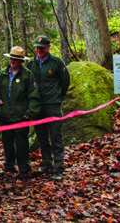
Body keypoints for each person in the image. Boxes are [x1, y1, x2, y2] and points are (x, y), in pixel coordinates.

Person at [0, 46, 41, 179]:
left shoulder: (27, 75)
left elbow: (34, 95)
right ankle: (9, 166)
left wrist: (30, 112)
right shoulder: (2, 74)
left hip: (21, 116)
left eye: (16, 59)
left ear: (21, 61)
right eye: (12, 58)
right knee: (7, 142)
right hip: (5, 115)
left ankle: (24, 168)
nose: (13, 61)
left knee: (22, 144)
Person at [27, 35, 70, 180]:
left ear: (48, 47)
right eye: (37, 48)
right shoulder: (32, 64)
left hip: (52, 105)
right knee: (42, 137)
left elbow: (65, 81)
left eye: (42, 47)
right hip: (38, 106)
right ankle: (47, 164)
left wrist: (57, 96)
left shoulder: (56, 62)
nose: (39, 50)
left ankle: (59, 168)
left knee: (56, 136)